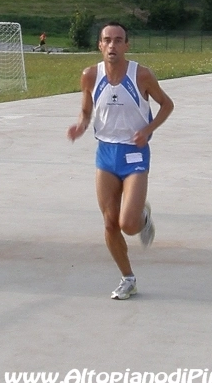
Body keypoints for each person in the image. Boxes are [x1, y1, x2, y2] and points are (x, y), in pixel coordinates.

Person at [67, 22, 174, 300]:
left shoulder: (142, 75)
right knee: (109, 224)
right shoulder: (90, 75)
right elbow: (86, 111)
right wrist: (81, 126)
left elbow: (167, 105)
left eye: (118, 40)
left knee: (128, 224)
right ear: (100, 45)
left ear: (127, 45)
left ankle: (142, 217)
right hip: (106, 153)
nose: (112, 45)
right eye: (107, 40)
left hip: (135, 153)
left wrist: (148, 130)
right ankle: (128, 278)